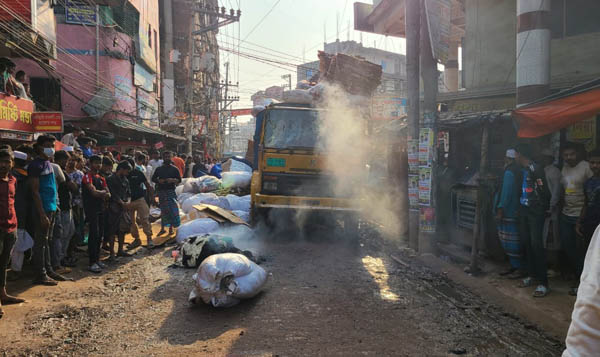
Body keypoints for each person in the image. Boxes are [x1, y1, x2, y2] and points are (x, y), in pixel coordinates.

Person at [29, 135, 66, 285]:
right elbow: (35, 191)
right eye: (47, 145)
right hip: (43, 209)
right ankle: (41, 274)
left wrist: (54, 206)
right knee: (41, 242)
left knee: (47, 241)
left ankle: (49, 270)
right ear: (39, 147)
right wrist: (42, 214)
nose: (51, 148)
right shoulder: (36, 165)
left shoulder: (48, 163)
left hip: (51, 207)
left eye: (52, 145)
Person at [515, 143, 551, 297]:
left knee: (536, 244)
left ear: (520, 154)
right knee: (527, 242)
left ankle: (543, 283)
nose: (514, 156)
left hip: (535, 212)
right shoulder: (521, 170)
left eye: (516, 154)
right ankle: (531, 275)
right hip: (524, 210)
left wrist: (540, 208)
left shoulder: (536, 169)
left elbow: (545, 192)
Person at [560, 142, 593, 295]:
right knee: (568, 248)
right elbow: (563, 189)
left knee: (583, 251)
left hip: (581, 215)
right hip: (566, 214)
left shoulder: (586, 167)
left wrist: (584, 217)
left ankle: (583, 282)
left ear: (578, 154)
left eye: (571, 154)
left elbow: (592, 190)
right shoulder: (565, 168)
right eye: (566, 155)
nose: (569, 157)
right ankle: (578, 276)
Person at [571, 149, 600, 296]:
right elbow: (586, 203)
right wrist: (579, 222)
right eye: (592, 163)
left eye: (598, 163)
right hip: (589, 224)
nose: (595, 166)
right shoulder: (588, 182)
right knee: (590, 256)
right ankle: (588, 288)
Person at [0, 149, 25, 318]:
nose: (3, 164)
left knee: (3, 264)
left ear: (12, 163)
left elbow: (12, 202)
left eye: (7, 161)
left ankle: (2, 294)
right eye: (1, 161)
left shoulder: (13, 180)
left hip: (11, 227)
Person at [495, 149, 523, 278]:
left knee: (510, 240)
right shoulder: (519, 170)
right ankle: (514, 266)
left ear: (507, 159)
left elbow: (506, 192)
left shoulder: (509, 173)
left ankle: (518, 267)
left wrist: (500, 208)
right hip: (516, 210)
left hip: (509, 211)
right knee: (514, 239)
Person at [82, 155, 111, 273]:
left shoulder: (101, 177)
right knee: (94, 235)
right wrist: (103, 193)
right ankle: (91, 262)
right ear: (90, 163)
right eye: (96, 163)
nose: (98, 165)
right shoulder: (87, 176)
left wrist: (102, 193)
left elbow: (108, 193)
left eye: (99, 163)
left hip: (101, 208)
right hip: (91, 209)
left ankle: (97, 259)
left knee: (100, 235)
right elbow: (93, 192)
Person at [9, 149, 34, 281]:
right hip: (24, 212)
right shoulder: (28, 176)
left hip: (13, 211)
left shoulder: (10, 176)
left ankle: (15, 269)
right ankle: (17, 268)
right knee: (19, 241)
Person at [53, 151, 77, 273]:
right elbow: (72, 186)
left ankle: (61, 258)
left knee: (69, 232)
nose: (67, 163)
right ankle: (59, 261)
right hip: (62, 207)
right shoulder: (59, 171)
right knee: (62, 235)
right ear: (60, 160)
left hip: (67, 206)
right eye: (66, 160)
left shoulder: (62, 171)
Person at [105, 161, 133, 260]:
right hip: (113, 207)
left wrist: (127, 202)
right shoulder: (110, 179)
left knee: (122, 230)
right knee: (112, 230)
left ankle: (120, 250)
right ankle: (112, 252)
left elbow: (129, 193)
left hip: (123, 208)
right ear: (121, 169)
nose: (127, 173)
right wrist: (121, 202)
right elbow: (112, 193)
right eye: (127, 171)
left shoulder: (125, 180)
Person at [126, 157, 154, 249]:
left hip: (140, 199)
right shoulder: (123, 174)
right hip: (128, 201)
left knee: (144, 219)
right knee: (132, 222)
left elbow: (147, 185)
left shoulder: (138, 173)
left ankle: (149, 239)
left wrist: (151, 197)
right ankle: (137, 239)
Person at [152, 151, 182, 236]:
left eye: (169, 157)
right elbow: (153, 178)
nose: (167, 158)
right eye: (165, 157)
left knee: (172, 210)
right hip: (161, 192)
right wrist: (159, 181)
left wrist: (172, 180)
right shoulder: (159, 169)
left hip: (171, 191)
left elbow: (179, 180)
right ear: (163, 158)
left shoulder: (174, 169)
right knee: (163, 211)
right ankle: (162, 229)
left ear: (171, 157)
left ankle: (170, 228)